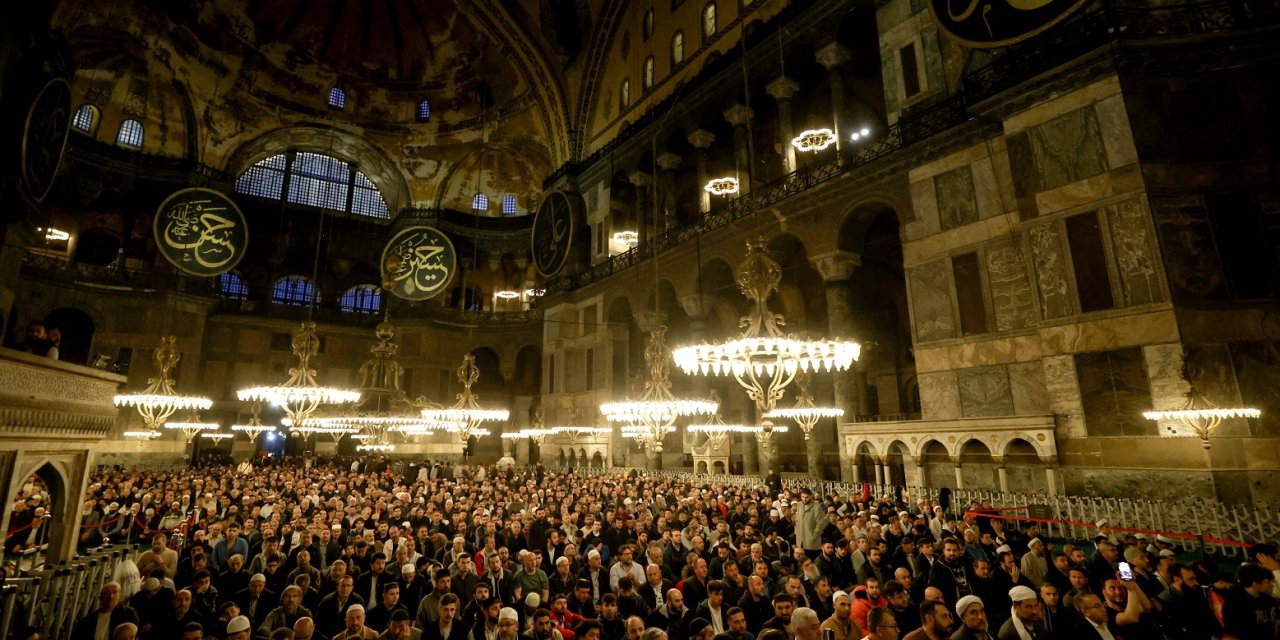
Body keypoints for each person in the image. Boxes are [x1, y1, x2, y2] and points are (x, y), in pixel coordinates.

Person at [1220, 563, 1279, 639]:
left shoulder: (1270, 600)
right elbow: (1237, 632)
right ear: (1255, 584)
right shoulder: (1234, 604)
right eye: (1268, 582)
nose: (1272, 585)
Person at [73, 582, 140, 640]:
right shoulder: (89, 620)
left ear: (120, 595)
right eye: (106, 593)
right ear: (100, 598)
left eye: (114, 592)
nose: (111, 596)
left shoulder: (128, 614)